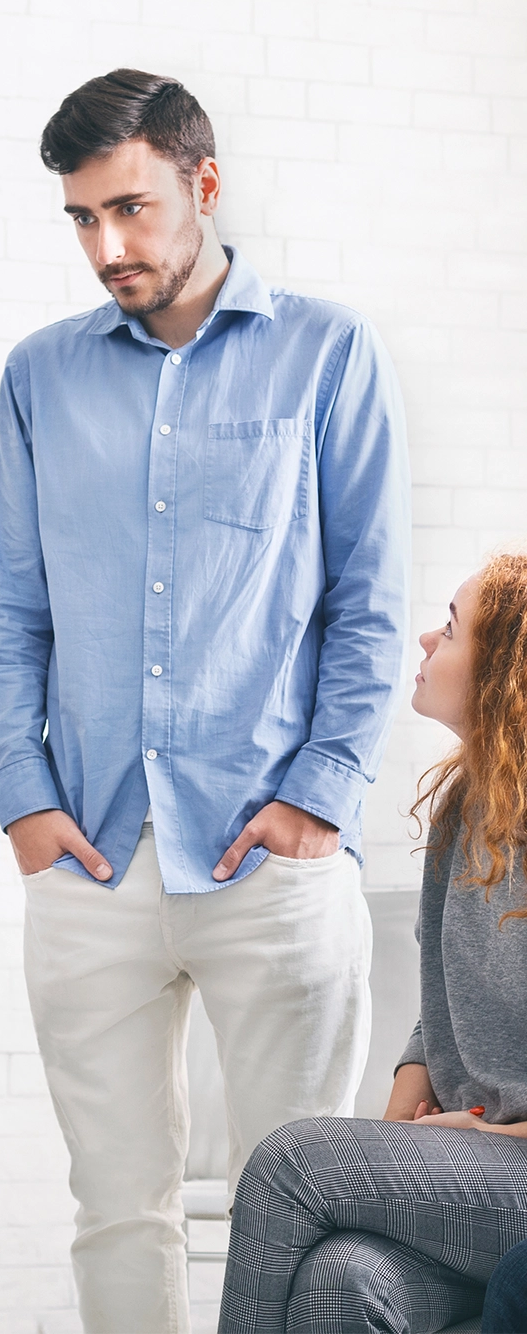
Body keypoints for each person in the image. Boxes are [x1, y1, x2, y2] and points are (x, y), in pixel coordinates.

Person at [0, 69, 411, 1332]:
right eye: (81, 219)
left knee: (301, 1212)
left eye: (132, 209)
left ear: (203, 186)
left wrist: (316, 800)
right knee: (114, 1208)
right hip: (88, 857)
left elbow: (369, 604)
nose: (107, 246)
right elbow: (4, 611)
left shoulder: (327, 351)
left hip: (270, 850)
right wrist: (24, 803)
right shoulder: (37, 378)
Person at [219, 553, 527, 1334]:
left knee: (290, 1162)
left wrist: (494, 1133)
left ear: (503, 673)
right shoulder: (465, 810)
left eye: (451, 629)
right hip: (470, 1169)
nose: (427, 638)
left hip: (514, 1167)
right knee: (342, 1278)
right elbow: (438, 1005)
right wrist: (389, 1152)